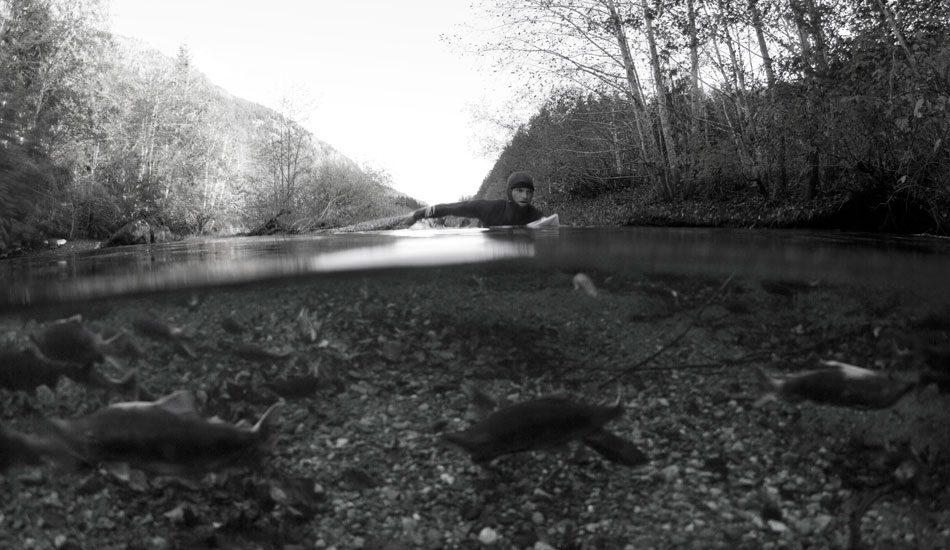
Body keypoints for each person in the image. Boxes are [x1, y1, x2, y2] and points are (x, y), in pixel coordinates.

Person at [411, 171, 544, 227]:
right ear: (509, 192)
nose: (525, 196)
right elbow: (450, 208)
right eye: (519, 191)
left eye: (529, 192)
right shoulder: (489, 208)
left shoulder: (536, 216)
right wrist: (417, 215)